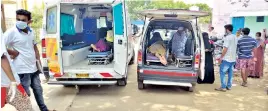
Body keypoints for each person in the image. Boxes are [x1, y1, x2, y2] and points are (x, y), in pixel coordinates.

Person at [3, 9, 54, 111]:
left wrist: (38, 61)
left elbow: (34, 47)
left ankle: (44, 110)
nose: (20, 22)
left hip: (34, 69)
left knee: (39, 91)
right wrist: (13, 53)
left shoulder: (31, 32)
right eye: (18, 19)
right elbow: (1, 46)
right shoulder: (11, 32)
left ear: (29, 21)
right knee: (25, 97)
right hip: (22, 71)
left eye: (23, 20)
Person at [1, 29, 32, 111]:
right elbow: (2, 57)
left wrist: (10, 52)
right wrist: (13, 81)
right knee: (25, 106)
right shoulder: (11, 32)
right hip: (5, 80)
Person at [215, 24, 237, 92]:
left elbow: (225, 49)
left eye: (225, 29)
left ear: (227, 30)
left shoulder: (228, 37)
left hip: (227, 58)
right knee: (230, 73)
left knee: (222, 72)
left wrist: (221, 57)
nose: (224, 31)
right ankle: (229, 86)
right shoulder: (235, 36)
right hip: (233, 58)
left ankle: (223, 87)